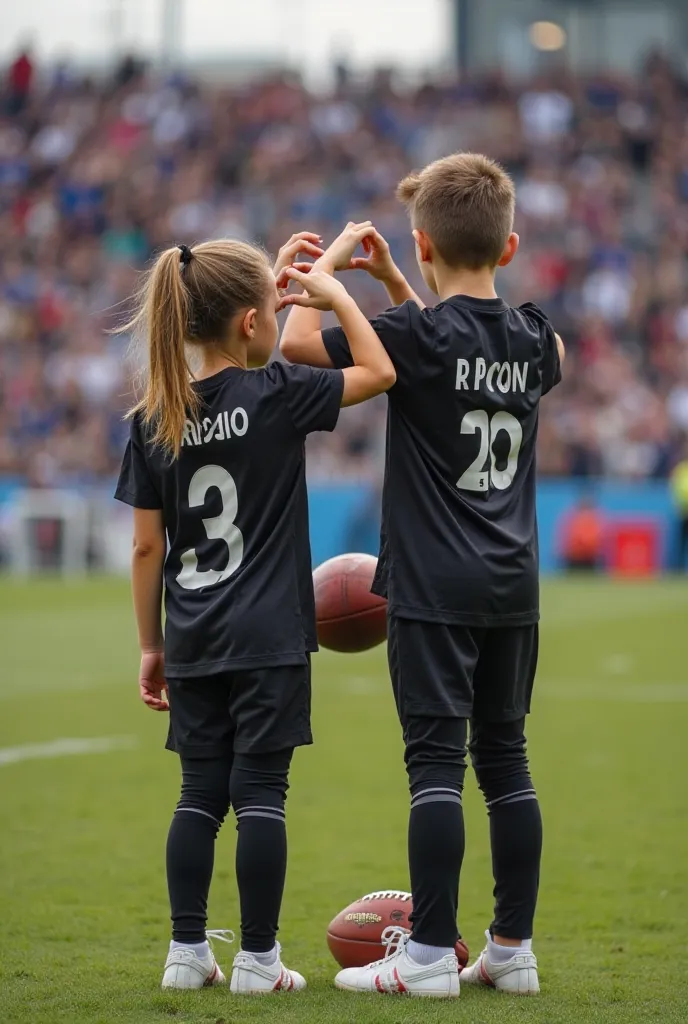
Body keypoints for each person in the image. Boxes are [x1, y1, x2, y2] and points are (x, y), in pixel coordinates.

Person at [280, 154, 565, 998]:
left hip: (435, 586)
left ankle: (432, 953)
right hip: (514, 586)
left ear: (421, 241)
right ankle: (512, 950)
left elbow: (296, 346)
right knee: (507, 763)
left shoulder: (411, 338)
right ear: (508, 245)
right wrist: (404, 284)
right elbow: (461, 351)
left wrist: (332, 265)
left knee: (435, 767)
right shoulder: (537, 337)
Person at [114, 227, 395, 993]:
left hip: (195, 637)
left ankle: (184, 953)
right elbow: (379, 369)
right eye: (269, 308)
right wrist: (330, 288)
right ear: (251, 322)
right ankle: (259, 961)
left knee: (199, 795)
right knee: (261, 797)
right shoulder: (277, 395)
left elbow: (146, 551)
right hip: (270, 635)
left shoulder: (154, 417)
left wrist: (151, 646)